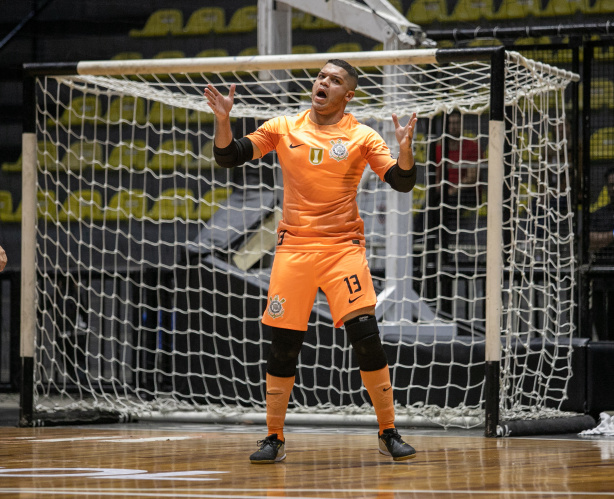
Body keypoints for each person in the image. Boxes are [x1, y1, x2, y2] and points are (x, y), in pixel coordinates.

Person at [205, 59, 418, 464]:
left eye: (334, 80)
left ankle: (388, 432)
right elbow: (230, 156)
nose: (323, 82)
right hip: (294, 249)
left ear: (348, 95)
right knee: (284, 347)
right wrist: (223, 121)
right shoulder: (283, 127)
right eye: (321, 76)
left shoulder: (362, 135)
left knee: (367, 338)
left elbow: (402, 182)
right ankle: (273, 437)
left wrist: (405, 154)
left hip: (342, 248)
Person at [589, 167, 614, 254]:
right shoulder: (599, 214)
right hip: (602, 263)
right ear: (607, 187)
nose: (613, 189)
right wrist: (613, 234)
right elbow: (590, 241)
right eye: (611, 185)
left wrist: (603, 238)